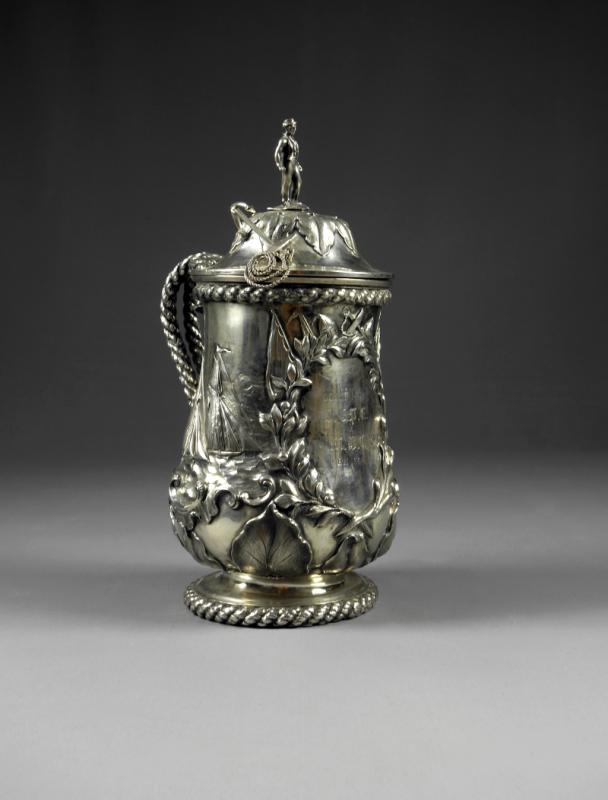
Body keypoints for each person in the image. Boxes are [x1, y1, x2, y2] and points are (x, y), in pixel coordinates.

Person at [274, 118, 302, 203]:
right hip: (287, 163)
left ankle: (294, 201)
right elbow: (277, 153)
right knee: (287, 182)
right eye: (292, 127)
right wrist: (279, 164)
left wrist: (298, 164)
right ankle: (285, 201)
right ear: (287, 128)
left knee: (298, 182)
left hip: (294, 163)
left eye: (294, 127)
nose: (294, 129)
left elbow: (295, 154)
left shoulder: (294, 141)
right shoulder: (284, 139)